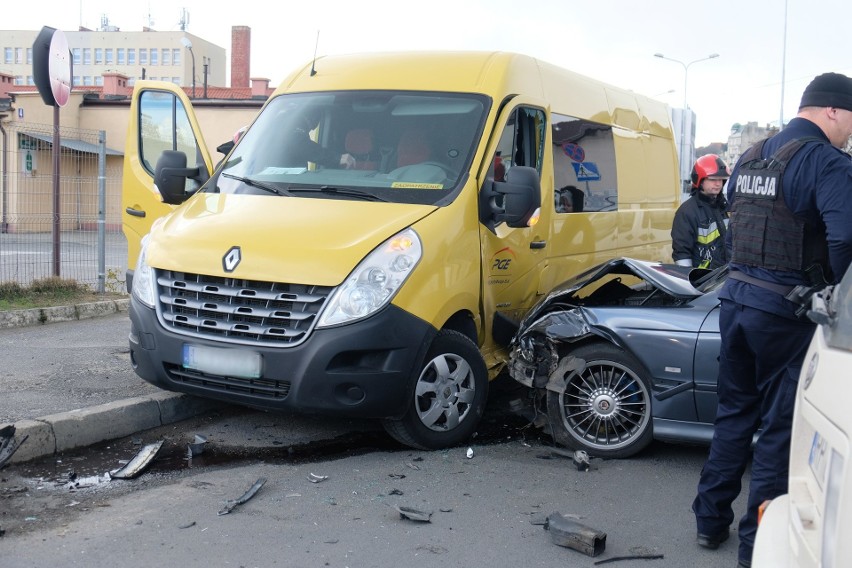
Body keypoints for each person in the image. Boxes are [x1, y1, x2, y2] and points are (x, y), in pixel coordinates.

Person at [692, 72, 852, 568]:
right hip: (787, 313)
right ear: (831, 111)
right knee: (779, 434)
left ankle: (709, 521)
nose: (850, 130)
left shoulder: (750, 156)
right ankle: (755, 548)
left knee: (734, 416)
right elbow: (845, 240)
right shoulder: (826, 162)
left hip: (737, 302)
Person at [671, 154, 730, 269]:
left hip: (723, 276)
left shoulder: (724, 207)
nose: (718, 184)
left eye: (721, 180)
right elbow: (682, 253)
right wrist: (689, 279)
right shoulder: (687, 212)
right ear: (700, 180)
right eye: (713, 179)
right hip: (702, 279)